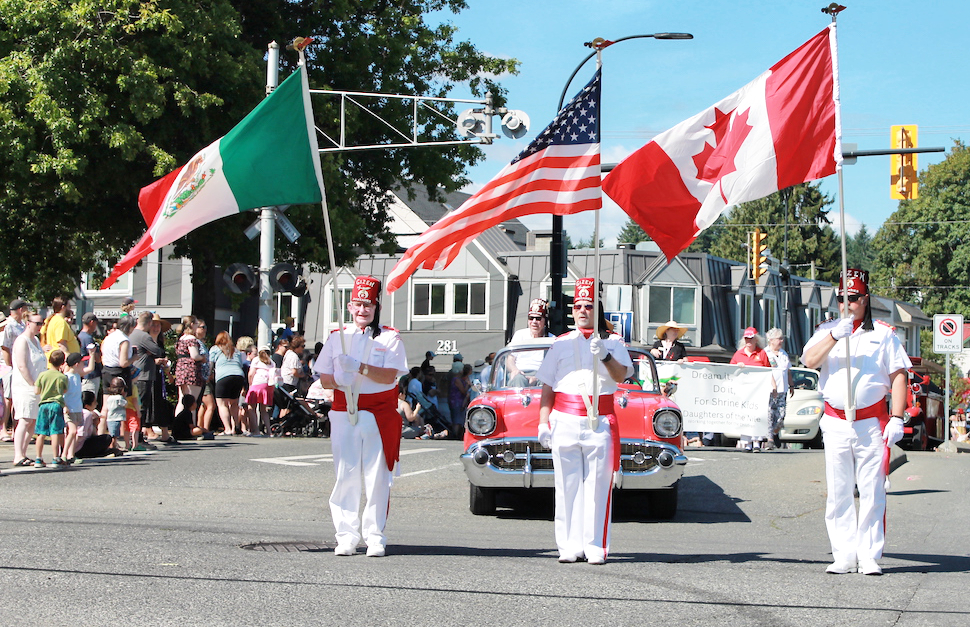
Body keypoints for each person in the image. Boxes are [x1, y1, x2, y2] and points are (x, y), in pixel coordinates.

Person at [802, 268, 910, 576]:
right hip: (836, 421)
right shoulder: (827, 330)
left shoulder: (884, 334)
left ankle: (869, 555)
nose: (846, 304)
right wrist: (835, 336)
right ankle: (844, 554)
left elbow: (898, 374)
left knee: (872, 490)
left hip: (870, 422)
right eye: (841, 298)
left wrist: (897, 417)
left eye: (852, 298)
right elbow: (809, 360)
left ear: (865, 299)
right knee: (839, 491)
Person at [536, 278, 634, 565]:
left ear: (597, 309)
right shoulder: (560, 343)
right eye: (577, 306)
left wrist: (604, 354)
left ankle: (595, 546)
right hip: (564, 419)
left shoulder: (613, 342)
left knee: (597, 487)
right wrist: (543, 422)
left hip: (599, 420)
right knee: (566, 486)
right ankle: (569, 545)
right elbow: (547, 386)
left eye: (588, 306)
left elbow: (621, 376)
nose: (582, 310)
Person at [314, 275, 408, 557]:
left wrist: (359, 367)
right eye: (357, 304)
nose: (362, 310)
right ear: (350, 306)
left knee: (377, 477)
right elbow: (324, 378)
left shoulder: (390, 338)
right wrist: (338, 379)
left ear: (376, 306)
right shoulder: (337, 337)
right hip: (345, 411)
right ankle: (346, 536)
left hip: (378, 414)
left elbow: (390, 376)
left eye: (368, 305)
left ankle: (375, 536)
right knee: (346, 476)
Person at [129, 312, 172, 445]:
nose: (155, 328)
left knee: (140, 406)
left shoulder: (133, 334)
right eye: (153, 324)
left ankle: (137, 436)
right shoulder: (144, 336)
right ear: (148, 323)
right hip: (143, 376)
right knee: (141, 407)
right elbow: (157, 351)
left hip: (142, 374)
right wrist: (150, 352)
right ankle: (138, 438)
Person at [11, 311, 47, 466]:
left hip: (37, 387)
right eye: (37, 323)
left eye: (41, 324)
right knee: (24, 420)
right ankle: (18, 455)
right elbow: (21, 365)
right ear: (28, 323)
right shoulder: (22, 340)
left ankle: (23, 453)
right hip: (25, 387)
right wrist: (33, 384)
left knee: (32, 421)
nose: (40, 326)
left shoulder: (36, 340)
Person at [730, 327, 774, 452]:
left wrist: (773, 386)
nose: (749, 341)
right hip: (743, 391)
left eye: (751, 338)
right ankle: (747, 442)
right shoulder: (738, 354)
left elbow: (768, 371)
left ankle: (756, 442)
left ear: (756, 339)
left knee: (757, 414)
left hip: (758, 391)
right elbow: (730, 371)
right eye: (746, 339)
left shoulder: (761, 353)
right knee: (745, 415)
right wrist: (737, 367)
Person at [507, 298, 554, 387]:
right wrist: (514, 370)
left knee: (546, 382)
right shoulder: (519, 335)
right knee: (518, 379)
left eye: (538, 318)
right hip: (520, 373)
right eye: (531, 318)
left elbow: (553, 367)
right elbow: (510, 359)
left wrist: (536, 378)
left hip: (541, 376)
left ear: (545, 320)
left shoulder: (552, 339)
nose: (534, 322)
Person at [34, 349, 69, 467]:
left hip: (44, 404)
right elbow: (65, 390)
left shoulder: (42, 375)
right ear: (62, 363)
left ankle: (38, 458)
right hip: (56, 404)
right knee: (55, 432)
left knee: (41, 432)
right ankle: (55, 457)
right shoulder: (62, 377)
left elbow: (36, 391)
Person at [2, 299, 29, 440]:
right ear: (20, 309)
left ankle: (15, 429)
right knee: (8, 398)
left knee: (16, 397)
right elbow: (5, 347)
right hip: (9, 365)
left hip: (19, 365)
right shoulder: (9, 325)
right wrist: (9, 366)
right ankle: (3, 428)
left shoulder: (22, 325)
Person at [764, 327, 794, 451]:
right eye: (779, 339)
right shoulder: (765, 353)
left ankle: (775, 432)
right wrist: (773, 386)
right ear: (771, 340)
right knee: (770, 415)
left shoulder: (783, 353)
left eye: (782, 339)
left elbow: (788, 371)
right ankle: (769, 440)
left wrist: (791, 385)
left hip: (783, 389)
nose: (781, 341)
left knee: (781, 416)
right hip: (770, 390)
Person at [210, 331, 246, 436]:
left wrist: (208, 375)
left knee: (222, 404)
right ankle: (235, 427)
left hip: (223, 376)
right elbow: (240, 364)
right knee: (234, 403)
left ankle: (227, 429)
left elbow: (210, 364)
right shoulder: (236, 350)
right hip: (238, 376)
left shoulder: (215, 349)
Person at [174, 315, 205, 425]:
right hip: (191, 370)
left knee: (181, 400)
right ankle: (190, 426)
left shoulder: (181, 339)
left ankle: (178, 425)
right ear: (192, 324)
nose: (197, 326)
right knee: (192, 402)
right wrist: (203, 358)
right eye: (196, 324)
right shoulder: (191, 339)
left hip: (181, 369)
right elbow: (194, 355)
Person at [247, 347, 278, 437]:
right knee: (263, 410)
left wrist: (250, 385)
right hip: (268, 386)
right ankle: (269, 431)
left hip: (257, 384)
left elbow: (251, 374)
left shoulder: (256, 360)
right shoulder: (272, 362)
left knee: (251, 408)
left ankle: (256, 431)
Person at [77, 312, 103, 397]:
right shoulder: (88, 338)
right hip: (91, 375)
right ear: (92, 322)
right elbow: (97, 358)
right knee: (91, 400)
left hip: (83, 372)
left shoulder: (80, 336)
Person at [101, 376, 128, 452]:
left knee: (112, 433)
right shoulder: (119, 398)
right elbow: (125, 404)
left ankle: (113, 446)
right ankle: (112, 447)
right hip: (117, 418)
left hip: (110, 418)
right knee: (115, 435)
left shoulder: (110, 397)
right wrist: (125, 397)